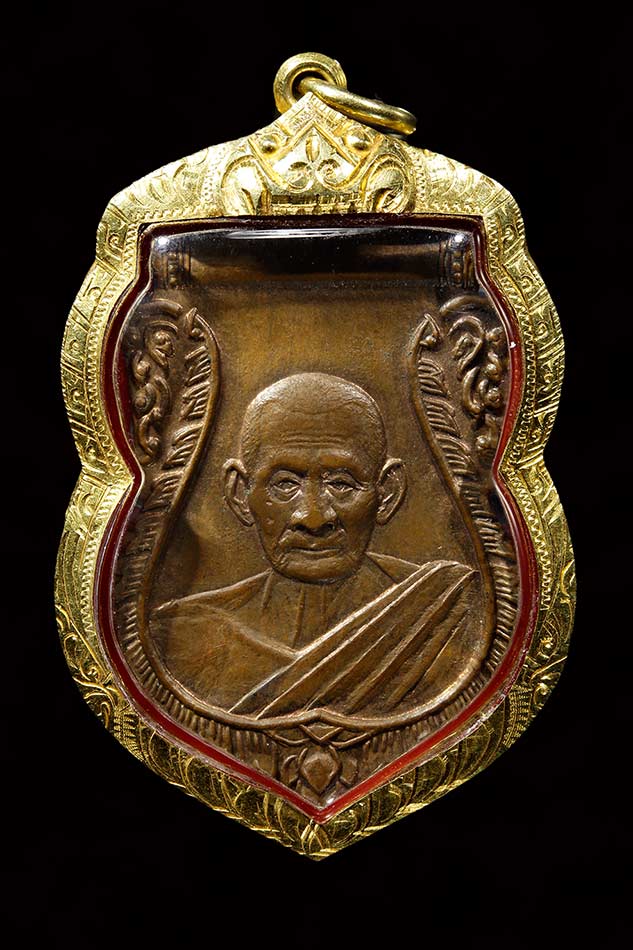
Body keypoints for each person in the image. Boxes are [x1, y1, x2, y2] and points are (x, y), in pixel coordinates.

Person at [150, 373, 488, 720]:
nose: (313, 518)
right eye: (285, 484)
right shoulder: (187, 635)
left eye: (342, 484)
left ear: (387, 493)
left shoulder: (447, 609)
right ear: (240, 494)